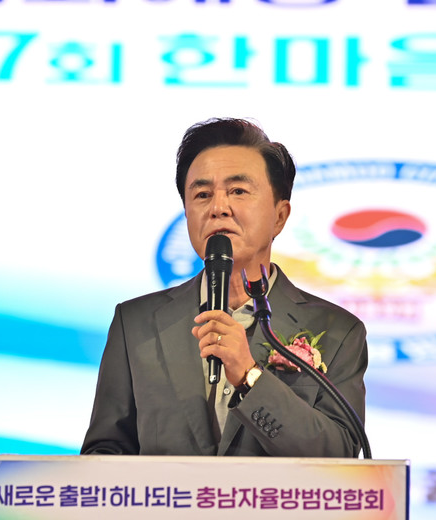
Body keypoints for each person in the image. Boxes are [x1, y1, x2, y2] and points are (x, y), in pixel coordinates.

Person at [81, 118, 367, 457]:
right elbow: (105, 453)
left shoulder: (338, 331)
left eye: (238, 191)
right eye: (202, 195)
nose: (218, 208)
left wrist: (250, 376)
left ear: (279, 216)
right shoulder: (136, 323)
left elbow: (341, 458)